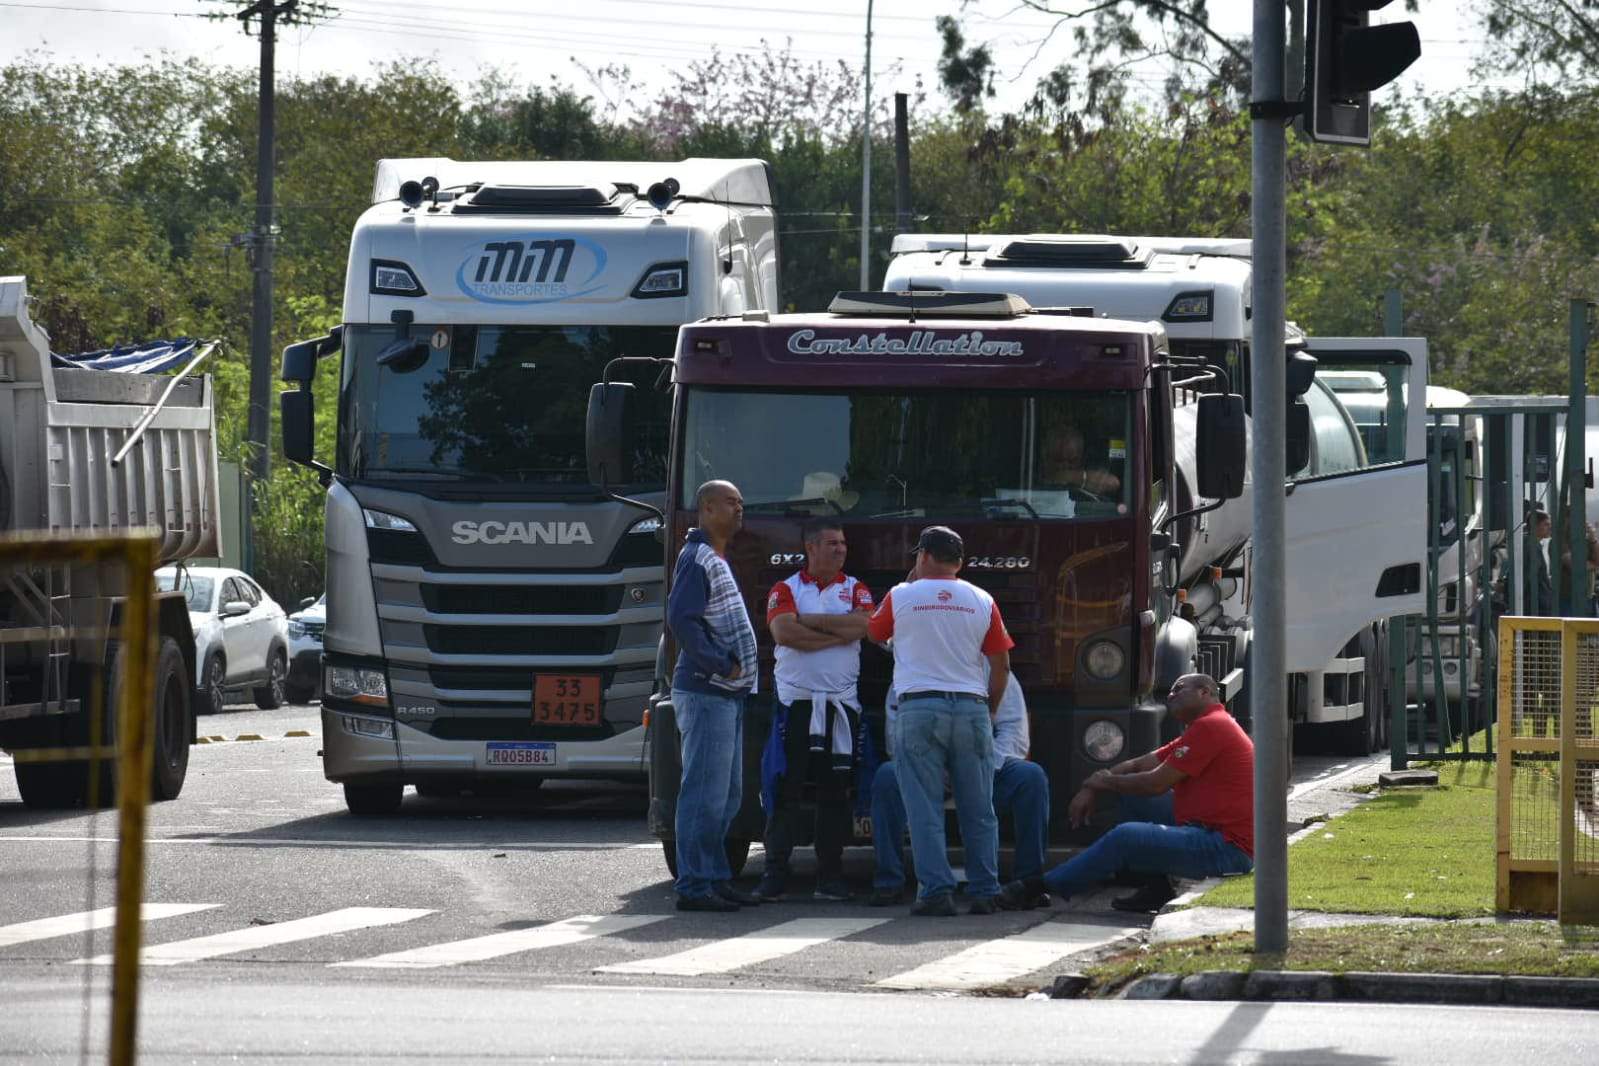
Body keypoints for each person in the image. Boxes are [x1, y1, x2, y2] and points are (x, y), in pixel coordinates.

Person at [997, 673, 1253, 913]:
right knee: (1132, 795)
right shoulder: (1206, 726)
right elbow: (1139, 764)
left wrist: (1104, 784)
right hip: (1208, 831)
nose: (1170, 695)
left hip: (1226, 848)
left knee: (1125, 836)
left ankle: (1036, 887)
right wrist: (1093, 785)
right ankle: (1157, 888)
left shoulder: (1211, 726)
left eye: (1179, 689)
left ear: (1205, 692)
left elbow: (1155, 784)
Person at [865, 525, 1014, 916]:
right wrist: (991, 709)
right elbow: (1001, 666)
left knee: (923, 807)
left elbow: (874, 631)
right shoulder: (983, 600)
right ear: (960, 563)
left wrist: (909, 585)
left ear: (924, 557)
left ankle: (936, 891)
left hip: (919, 709)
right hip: (971, 708)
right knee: (979, 807)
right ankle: (985, 889)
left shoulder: (901, 595)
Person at [756, 518, 876, 902]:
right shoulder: (785, 588)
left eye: (842, 543)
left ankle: (830, 877)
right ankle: (775, 874)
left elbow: (866, 627)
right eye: (831, 543)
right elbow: (785, 634)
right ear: (810, 548)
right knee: (785, 789)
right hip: (796, 706)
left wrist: (810, 624)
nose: (840, 549)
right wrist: (835, 633)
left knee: (835, 793)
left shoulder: (856, 588)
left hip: (842, 707)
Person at [868, 671, 1051, 909]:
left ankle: (1028, 884)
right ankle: (889, 882)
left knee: (1031, 777)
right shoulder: (910, 667)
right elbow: (897, 737)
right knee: (887, 776)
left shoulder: (992, 669)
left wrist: (981, 768)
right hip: (928, 769)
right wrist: (939, 772)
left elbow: (1013, 732)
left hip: (986, 766)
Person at [665, 480, 760, 912]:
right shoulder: (697, 557)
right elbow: (682, 619)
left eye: (740, 502)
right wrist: (723, 664)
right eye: (730, 502)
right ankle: (694, 885)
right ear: (706, 508)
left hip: (726, 695)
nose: (740, 508)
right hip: (707, 691)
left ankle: (715, 875)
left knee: (727, 795)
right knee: (703, 793)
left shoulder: (714, 556)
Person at [1040, 423, 1120, 497]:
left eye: (1072, 461)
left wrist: (1074, 477)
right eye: (1058, 460)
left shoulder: (1086, 481)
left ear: (1081, 458)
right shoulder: (1031, 480)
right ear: (1045, 457)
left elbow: (1114, 483)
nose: (1065, 465)